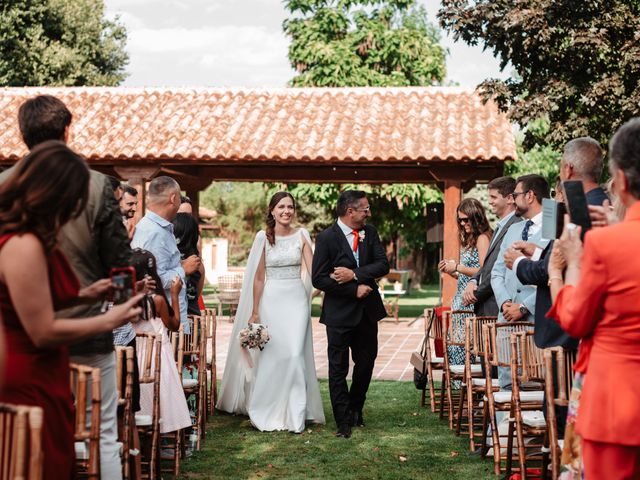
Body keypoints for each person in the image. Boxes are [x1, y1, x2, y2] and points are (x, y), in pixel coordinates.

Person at [0, 95, 134, 479]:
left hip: (46, 346)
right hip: (64, 342)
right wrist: (123, 316)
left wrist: (84, 292)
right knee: (104, 434)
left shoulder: (6, 185)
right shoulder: (92, 185)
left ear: (23, 134)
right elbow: (121, 260)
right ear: (66, 131)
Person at [547, 118, 640, 479]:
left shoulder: (604, 244)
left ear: (622, 180)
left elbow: (575, 320)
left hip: (614, 403)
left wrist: (568, 267)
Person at [217, 192, 325, 433]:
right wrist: (255, 311)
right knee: (273, 356)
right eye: (281, 207)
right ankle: (267, 409)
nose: (287, 211)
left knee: (295, 354)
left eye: (290, 207)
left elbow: (315, 273)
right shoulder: (263, 237)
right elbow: (258, 278)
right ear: (273, 211)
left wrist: (311, 293)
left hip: (296, 301)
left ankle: (295, 414)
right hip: (271, 300)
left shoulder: (302, 235)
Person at [311, 190, 390, 439]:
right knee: (338, 368)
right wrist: (353, 290)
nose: (369, 213)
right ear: (350, 212)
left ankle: (356, 408)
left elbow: (382, 265)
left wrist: (355, 275)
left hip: (367, 312)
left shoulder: (371, 232)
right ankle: (343, 420)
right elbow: (319, 278)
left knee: (366, 363)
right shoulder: (326, 238)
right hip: (339, 314)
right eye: (365, 209)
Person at [491, 174, 550, 389]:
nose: (513, 200)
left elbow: (554, 272)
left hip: (536, 319)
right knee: (506, 382)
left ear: (530, 195)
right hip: (506, 319)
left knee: (538, 381)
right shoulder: (514, 229)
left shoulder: (553, 224)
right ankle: (504, 424)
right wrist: (505, 302)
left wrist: (524, 307)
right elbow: (497, 272)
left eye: (515, 195)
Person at [130, 249, 192, 434]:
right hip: (156, 358)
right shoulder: (156, 300)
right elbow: (173, 325)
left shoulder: (123, 301)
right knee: (162, 398)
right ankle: (160, 436)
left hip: (131, 356)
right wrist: (174, 294)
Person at [132, 176, 200, 333]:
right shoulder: (154, 233)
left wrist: (179, 265)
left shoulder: (154, 227)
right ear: (173, 198)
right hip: (165, 325)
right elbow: (155, 279)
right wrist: (184, 270)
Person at [439, 198, 491, 378]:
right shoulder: (471, 239)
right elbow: (470, 273)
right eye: (460, 220)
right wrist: (453, 272)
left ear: (477, 217)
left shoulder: (483, 238)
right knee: (456, 348)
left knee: (465, 349)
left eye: (466, 219)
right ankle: (462, 394)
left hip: (470, 304)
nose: (463, 223)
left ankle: (468, 393)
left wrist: (458, 267)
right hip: (461, 302)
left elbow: (485, 271)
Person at [462, 177, 519, 316]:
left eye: (494, 197)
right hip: (486, 304)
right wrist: (473, 280)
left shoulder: (517, 225)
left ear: (510, 198)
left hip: (497, 305)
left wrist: (475, 294)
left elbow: (500, 268)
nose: (490, 202)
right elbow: (487, 265)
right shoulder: (500, 226)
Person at [172, 212, 205, 316]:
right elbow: (197, 294)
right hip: (194, 317)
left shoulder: (171, 261)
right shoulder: (198, 264)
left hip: (175, 317)